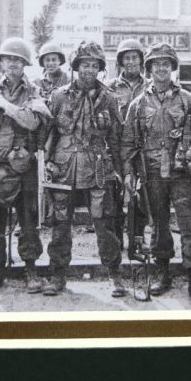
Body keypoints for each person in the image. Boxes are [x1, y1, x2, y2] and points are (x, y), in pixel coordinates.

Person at [121, 42, 191, 306]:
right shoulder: (137, 104)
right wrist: (129, 173)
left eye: (166, 64)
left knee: (189, 225)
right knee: (158, 224)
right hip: (152, 174)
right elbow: (128, 143)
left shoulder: (188, 100)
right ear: (148, 68)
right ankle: (163, 272)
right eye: (156, 64)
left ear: (172, 68)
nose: (161, 68)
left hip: (182, 172)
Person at [0, 38, 52, 295]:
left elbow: (32, 122)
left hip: (23, 166)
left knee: (28, 221)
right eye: (8, 59)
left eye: (18, 60)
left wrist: (4, 106)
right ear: (1, 62)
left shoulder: (34, 91)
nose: (13, 64)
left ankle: (31, 270)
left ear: (25, 64)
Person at [42, 41, 126, 297]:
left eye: (94, 65)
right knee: (60, 224)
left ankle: (114, 275)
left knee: (104, 224)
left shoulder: (109, 98)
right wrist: (46, 162)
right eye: (84, 65)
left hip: (97, 167)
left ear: (100, 68)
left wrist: (121, 172)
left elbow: (116, 138)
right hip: (63, 169)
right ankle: (57, 276)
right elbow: (49, 134)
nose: (89, 70)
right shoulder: (58, 96)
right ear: (76, 67)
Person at [106, 38, 147, 248]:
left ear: (141, 61)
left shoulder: (150, 87)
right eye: (126, 58)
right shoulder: (109, 88)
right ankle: (116, 241)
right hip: (115, 148)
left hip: (141, 150)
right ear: (120, 62)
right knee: (114, 195)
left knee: (139, 196)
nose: (131, 62)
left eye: (135, 58)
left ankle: (137, 240)